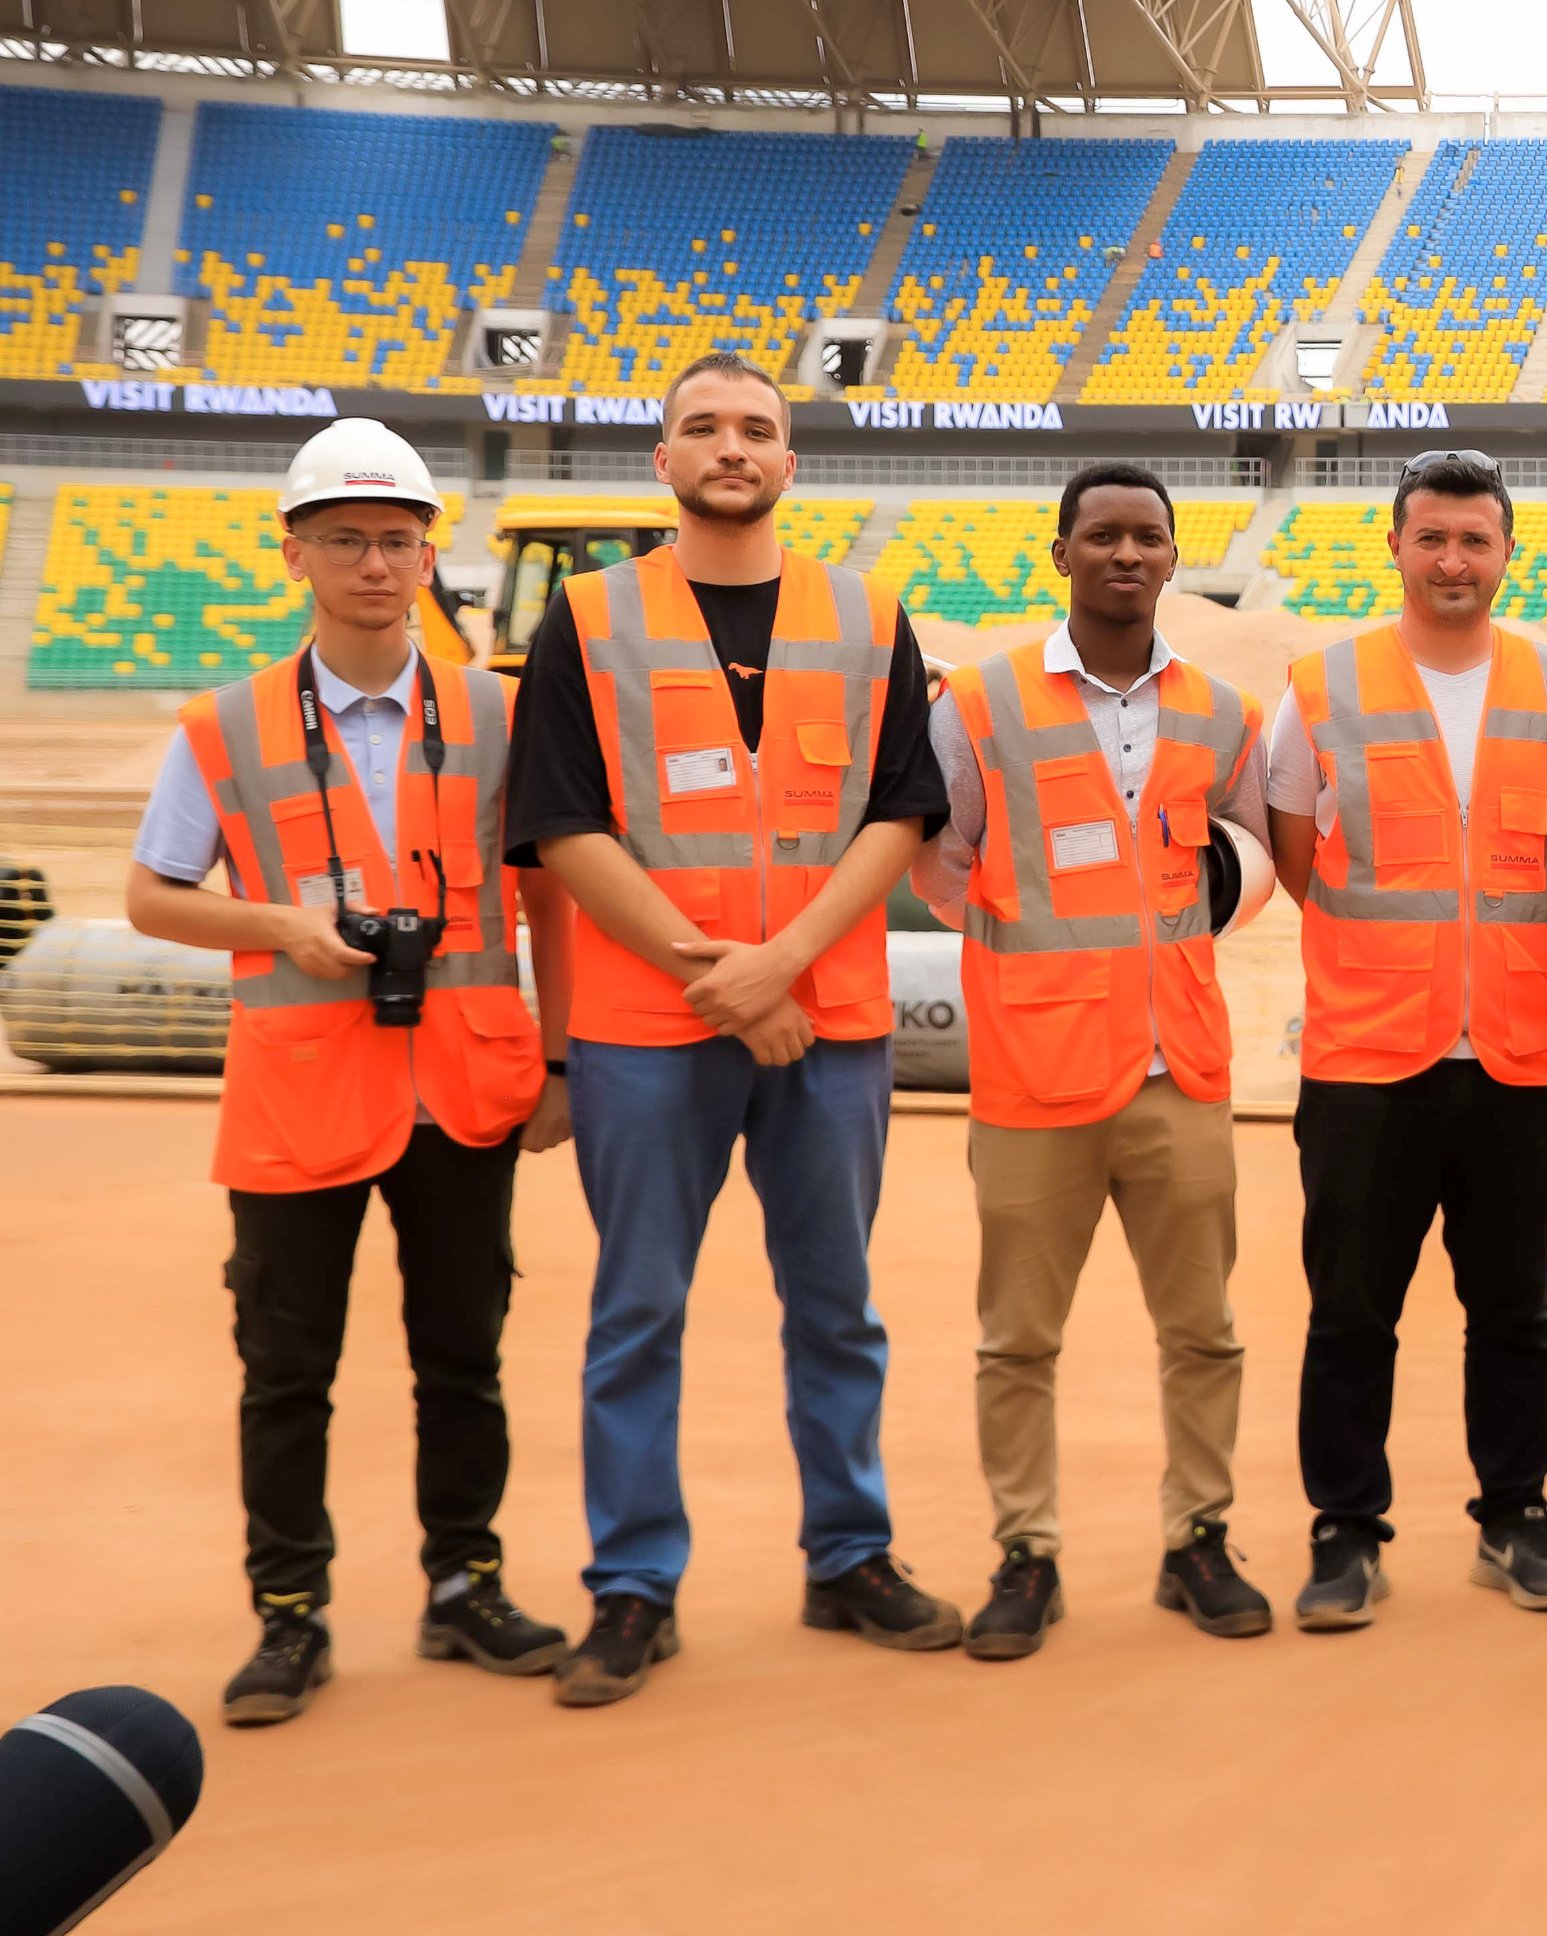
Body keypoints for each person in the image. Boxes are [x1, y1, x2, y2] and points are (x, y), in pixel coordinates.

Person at [508, 351, 953, 1707]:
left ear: (790, 460)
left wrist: (788, 966)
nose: (731, 445)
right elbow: (563, 824)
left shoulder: (868, 614)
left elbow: (899, 809)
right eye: (702, 426)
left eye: (756, 426)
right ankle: (633, 1583)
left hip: (832, 1020)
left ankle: (849, 1554)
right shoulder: (587, 618)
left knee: (837, 1305)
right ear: (664, 459)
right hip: (650, 1030)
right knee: (637, 1309)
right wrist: (721, 975)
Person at [124, 420, 569, 1726]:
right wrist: (277, 928)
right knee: (284, 1363)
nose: (375, 562)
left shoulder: (496, 709)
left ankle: (465, 1582)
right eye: (346, 540)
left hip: (465, 1084)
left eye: (395, 539)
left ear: (430, 553)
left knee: (462, 1355)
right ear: (296, 554)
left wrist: (558, 1062)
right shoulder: (227, 725)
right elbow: (151, 893)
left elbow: (550, 899)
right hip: (299, 1084)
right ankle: (290, 1613)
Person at [914, 464, 1277, 1660]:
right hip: (1031, 1075)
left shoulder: (1222, 714)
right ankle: (1026, 1553)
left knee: (1205, 1332)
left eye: (1149, 538)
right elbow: (941, 861)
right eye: (1103, 536)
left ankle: (1198, 1539)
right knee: (1017, 1339)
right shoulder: (977, 702)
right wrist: (1038, 963)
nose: (1127, 555)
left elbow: (1249, 858)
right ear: (1060, 553)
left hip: (1181, 1071)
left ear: (1174, 560)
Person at [1269, 450, 1547, 1627]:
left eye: (1476, 541)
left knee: (1515, 1310)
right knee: (1351, 1311)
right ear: (1395, 546)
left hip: (1520, 1055)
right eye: (1433, 539)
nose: (1454, 561)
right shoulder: (1322, 683)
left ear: (1508, 553)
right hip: (1366, 1061)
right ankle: (1345, 1532)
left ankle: (1515, 1519)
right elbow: (1296, 842)